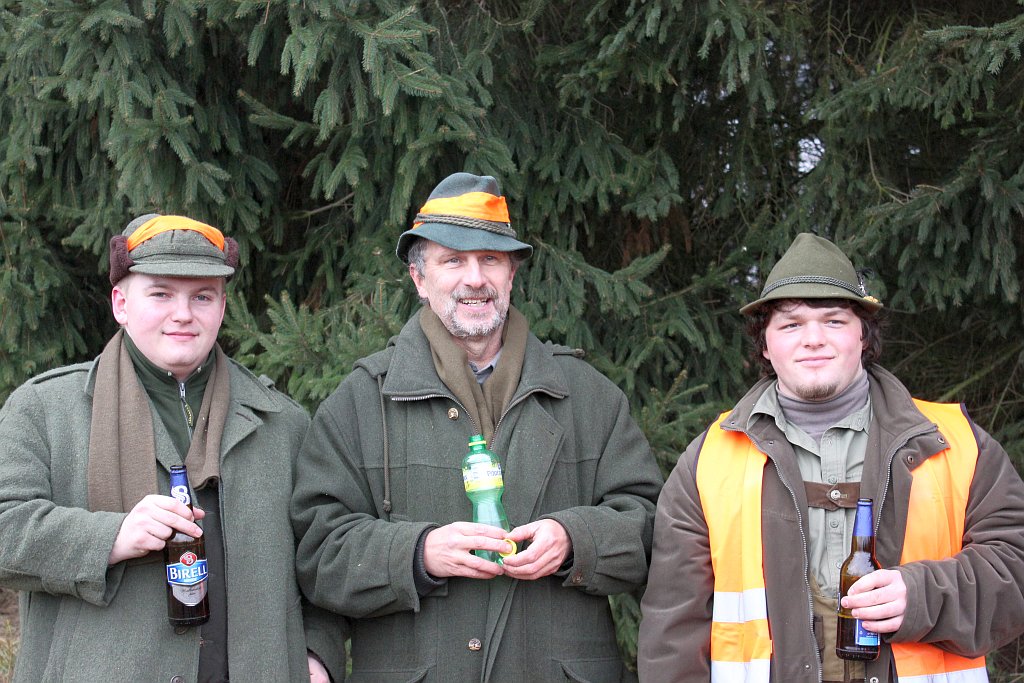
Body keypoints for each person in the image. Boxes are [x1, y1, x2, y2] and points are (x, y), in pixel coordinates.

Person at [291, 172, 664, 681]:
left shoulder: (589, 396)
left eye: (490, 259)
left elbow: (652, 527)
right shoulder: (359, 403)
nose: (474, 279)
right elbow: (318, 551)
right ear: (419, 280)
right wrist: (418, 553)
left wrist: (575, 539)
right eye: (452, 260)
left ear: (511, 275)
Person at [638, 232, 1024, 683]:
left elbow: (1015, 566)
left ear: (863, 335)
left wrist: (921, 597)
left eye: (834, 321)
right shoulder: (709, 462)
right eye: (791, 325)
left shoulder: (954, 444)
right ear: (765, 345)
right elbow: (672, 632)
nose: (813, 339)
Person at [0, 215, 345, 682]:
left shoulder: (282, 423)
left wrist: (317, 653)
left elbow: (323, 554)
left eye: (202, 296)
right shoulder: (45, 409)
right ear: (121, 303)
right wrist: (111, 537)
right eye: (161, 294)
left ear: (221, 307)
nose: (183, 314)